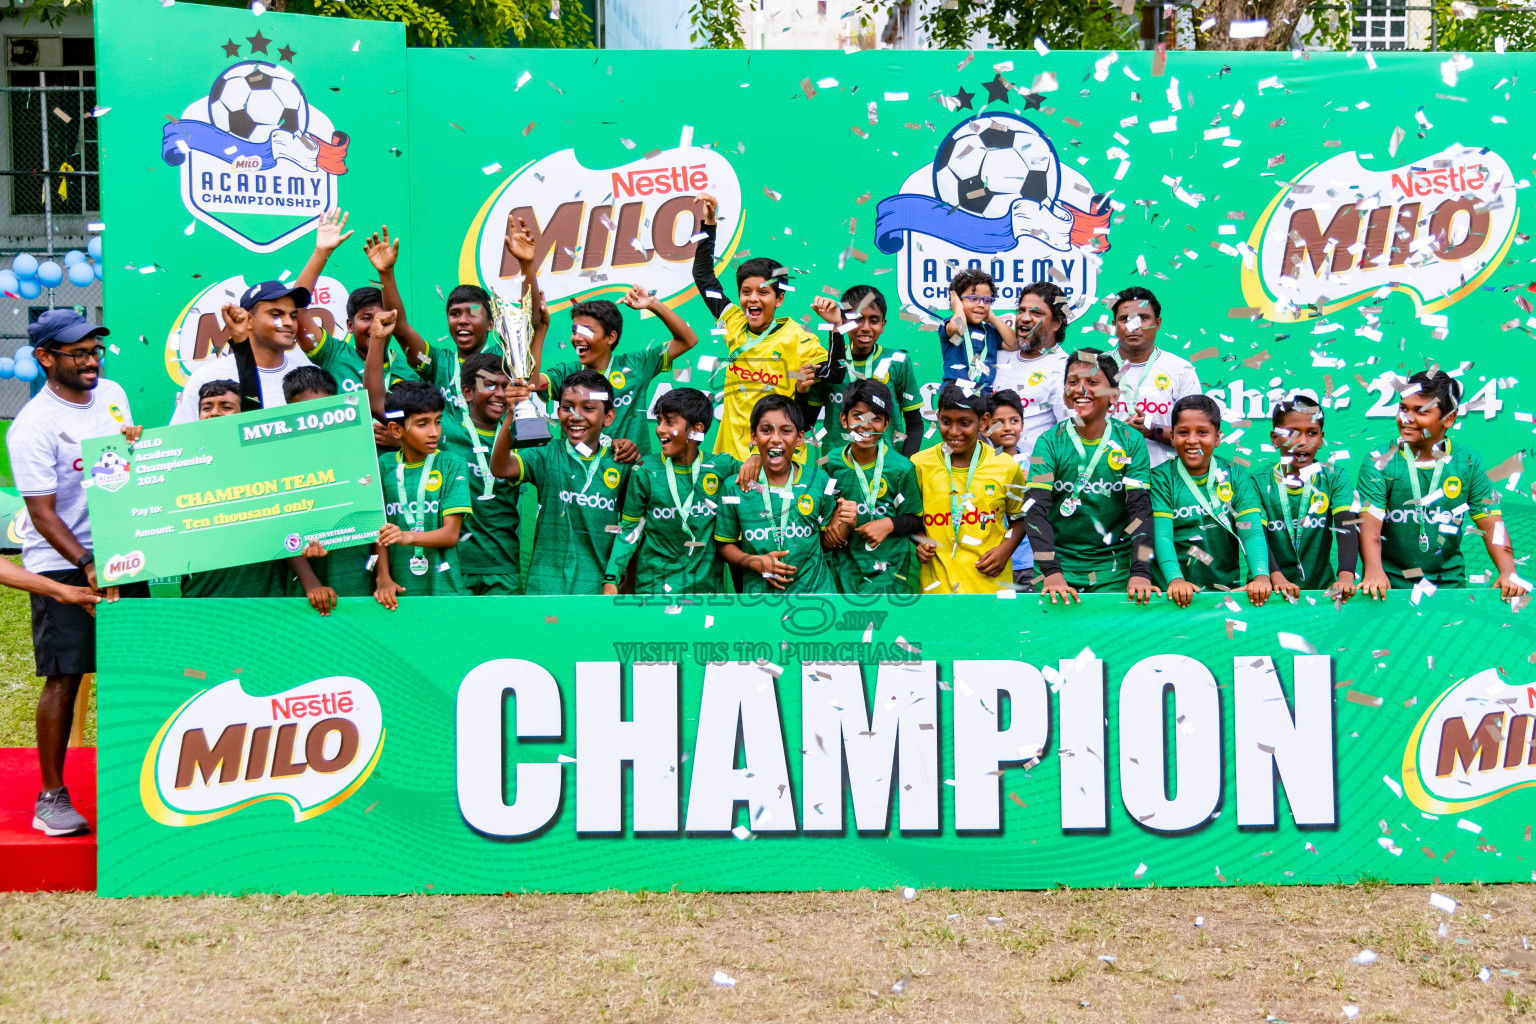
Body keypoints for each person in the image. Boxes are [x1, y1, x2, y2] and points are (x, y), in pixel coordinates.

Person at [7, 310, 146, 837]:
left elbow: (122, 469)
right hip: (62, 565)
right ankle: (51, 797)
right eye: (78, 354)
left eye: (95, 351)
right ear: (45, 358)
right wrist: (86, 565)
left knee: (135, 666)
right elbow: (43, 514)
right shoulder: (33, 428)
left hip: (123, 554)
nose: (92, 362)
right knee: (65, 675)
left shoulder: (111, 394)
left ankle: (137, 780)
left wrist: (134, 443)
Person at [1358, 370, 1526, 600]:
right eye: (1404, 408)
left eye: (1421, 411)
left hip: (1449, 589)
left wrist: (1508, 572)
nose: (1407, 418)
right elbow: (1370, 526)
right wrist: (1374, 571)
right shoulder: (1379, 459)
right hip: (1387, 588)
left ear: (1449, 418)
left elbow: (1491, 522)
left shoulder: (1468, 461)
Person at [692, 192, 829, 460]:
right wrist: (709, 224)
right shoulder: (733, 322)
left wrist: (836, 327)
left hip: (779, 463)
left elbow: (832, 372)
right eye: (746, 292)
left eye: (763, 292)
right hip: (730, 461)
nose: (752, 298)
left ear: (779, 298)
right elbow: (703, 275)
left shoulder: (799, 339)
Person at [1026, 348, 1158, 603]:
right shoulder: (1048, 443)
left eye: (1092, 382)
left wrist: (1140, 570)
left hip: (1114, 571)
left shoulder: (1131, 441)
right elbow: (1036, 510)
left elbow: (1139, 510)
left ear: (1114, 395)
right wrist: (1051, 571)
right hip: (1056, 570)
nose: (1080, 389)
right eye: (1073, 382)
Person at [490, 368, 630, 595]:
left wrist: (614, 580)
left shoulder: (621, 463)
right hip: (544, 588)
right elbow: (499, 467)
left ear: (608, 417)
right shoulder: (547, 454)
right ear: (557, 411)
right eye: (567, 407)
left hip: (597, 590)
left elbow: (632, 528)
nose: (576, 415)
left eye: (588, 408)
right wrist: (510, 414)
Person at [602, 387, 740, 596]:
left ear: (696, 429)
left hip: (705, 595)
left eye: (670, 422)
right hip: (653, 592)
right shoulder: (645, 469)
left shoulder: (723, 467)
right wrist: (611, 578)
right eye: (658, 421)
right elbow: (630, 529)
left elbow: (766, 477)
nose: (659, 430)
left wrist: (756, 460)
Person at [534, 285, 699, 459]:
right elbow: (534, 382)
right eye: (574, 331)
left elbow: (688, 340)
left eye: (586, 331)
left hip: (630, 476)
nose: (577, 338)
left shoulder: (637, 365)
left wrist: (653, 304)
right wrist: (540, 329)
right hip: (578, 476)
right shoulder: (567, 373)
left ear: (611, 337)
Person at [714, 394, 851, 593]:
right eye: (766, 430)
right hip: (760, 603)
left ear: (799, 438)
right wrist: (755, 562)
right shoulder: (735, 486)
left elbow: (826, 544)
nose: (776, 439)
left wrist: (845, 523)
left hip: (815, 598)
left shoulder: (819, 480)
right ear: (754, 436)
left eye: (786, 431)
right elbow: (724, 546)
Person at [1150, 395, 1272, 607]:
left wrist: (1261, 575)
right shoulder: (1161, 478)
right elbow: (1163, 536)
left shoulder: (1236, 475)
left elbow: (1249, 530)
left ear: (1217, 438)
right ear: (1172, 437)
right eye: (1183, 432)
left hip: (1225, 594)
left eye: (1203, 432)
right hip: (1173, 596)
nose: (1192, 440)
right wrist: (1175, 579)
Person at [275, 365, 376, 614]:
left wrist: (381, 576)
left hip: (358, 573)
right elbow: (280, 526)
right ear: (289, 411)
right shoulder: (281, 461)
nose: (314, 419)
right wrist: (310, 582)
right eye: (304, 411)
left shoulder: (359, 452)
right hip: (307, 581)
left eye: (322, 409)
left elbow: (375, 517)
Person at [911, 382, 1027, 595]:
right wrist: (920, 538)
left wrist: (1005, 550)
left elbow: (1020, 519)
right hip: (937, 592)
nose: (954, 432)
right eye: (946, 422)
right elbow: (910, 516)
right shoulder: (919, 464)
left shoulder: (1006, 466)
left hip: (991, 589)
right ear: (938, 417)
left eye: (964, 423)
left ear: (983, 422)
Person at [180, 378, 288, 601]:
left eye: (226, 407)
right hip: (203, 592)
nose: (214, 413)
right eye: (206, 407)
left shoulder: (267, 460)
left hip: (263, 590)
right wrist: (132, 443)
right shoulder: (178, 464)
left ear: (243, 413)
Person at [373, 380, 473, 609]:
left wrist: (409, 536)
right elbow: (379, 530)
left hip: (443, 587)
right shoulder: (383, 465)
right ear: (396, 429)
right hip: (395, 589)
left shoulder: (451, 464)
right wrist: (384, 578)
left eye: (437, 422)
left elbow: (450, 535)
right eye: (422, 424)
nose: (433, 432)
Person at [823, 378, 923, 594]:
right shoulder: (829, 463)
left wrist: (888, 524)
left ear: (886, 424)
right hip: (844, 571)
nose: (866, 425)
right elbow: (819, 512)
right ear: (843, 419)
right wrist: (832, 518)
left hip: (890, 573)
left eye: (875, 418)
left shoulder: (902, 468)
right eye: (858, 416)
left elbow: (915, 519)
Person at [1256, 394, 1359, 597]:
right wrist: (1276, 577)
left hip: (1323, 593)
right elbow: (1256, 537)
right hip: (1271, 591)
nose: (1302, 441)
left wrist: (1346, 577)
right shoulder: (1257, 482)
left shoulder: (1334, 477)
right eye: (1292, 433)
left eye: (1311, 433)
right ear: (1275, 438)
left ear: (1321, 439)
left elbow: (1346, 525)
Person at [170, 280, 314, 423]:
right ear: (249, 320)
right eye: (276, 314)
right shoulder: (207, 376)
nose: (288, 322)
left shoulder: (311, 376)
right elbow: (181, 438)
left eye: (293, 316)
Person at [806, 285, 923, 456]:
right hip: (838, 468)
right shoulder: (826, 365)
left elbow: (915, 424)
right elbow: (807, 422)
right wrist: (800, 390)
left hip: (887, 470)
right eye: (858, 319)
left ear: (883, 325)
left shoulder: (898, 362)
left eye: (874, 320)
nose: (866, 327)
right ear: (844, 321)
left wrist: (905, 464)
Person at [446, 352, 526, 596]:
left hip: (503, 566)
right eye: (489, 385)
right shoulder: (442, 431)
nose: (500, 394)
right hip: (455, 565)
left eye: (506, 386)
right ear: (467, 392)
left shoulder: (521, 435)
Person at [1106, 286, 1201, 467]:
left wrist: (1153, 430)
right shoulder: (1096, 368)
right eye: (1125, 319)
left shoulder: (1181, 370)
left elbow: (1196, 436)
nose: (1133, 325)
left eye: (1142, 318)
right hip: (1104, 481)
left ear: (1157, 324)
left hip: (1162, 484)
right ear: (1114, 326)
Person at [985, 389, 1035, 591]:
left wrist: (1031, 481)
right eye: (998, 423)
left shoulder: (1036, 461)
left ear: (1022, 425)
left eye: (1014, 421)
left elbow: (1053, 481)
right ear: (984, 426)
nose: (1007, 428)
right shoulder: (981, 465)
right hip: (991, 560)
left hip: (1029, 561)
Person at [941, 269, 1016, 391]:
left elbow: (1013, 344)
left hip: (983, 395)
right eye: (973, 298)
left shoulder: (989, 331)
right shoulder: (949, 324)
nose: (981, 304)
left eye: (987, 300)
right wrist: (957, 309)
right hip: (954, 394)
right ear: (958, 300)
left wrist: (992, 317)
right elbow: (958, 329)